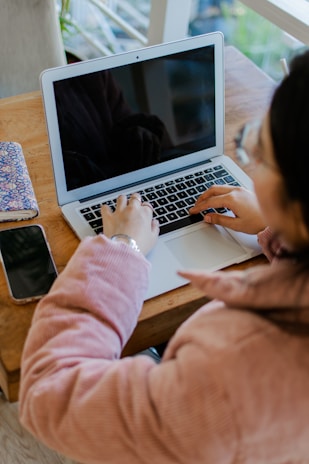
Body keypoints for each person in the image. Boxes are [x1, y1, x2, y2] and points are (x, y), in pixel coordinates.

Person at [19, 50, 309, 463]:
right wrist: (285, 230)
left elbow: (50, 394)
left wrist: (122, 248)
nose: (252, 161)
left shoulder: (230, 366)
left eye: (260, 151)